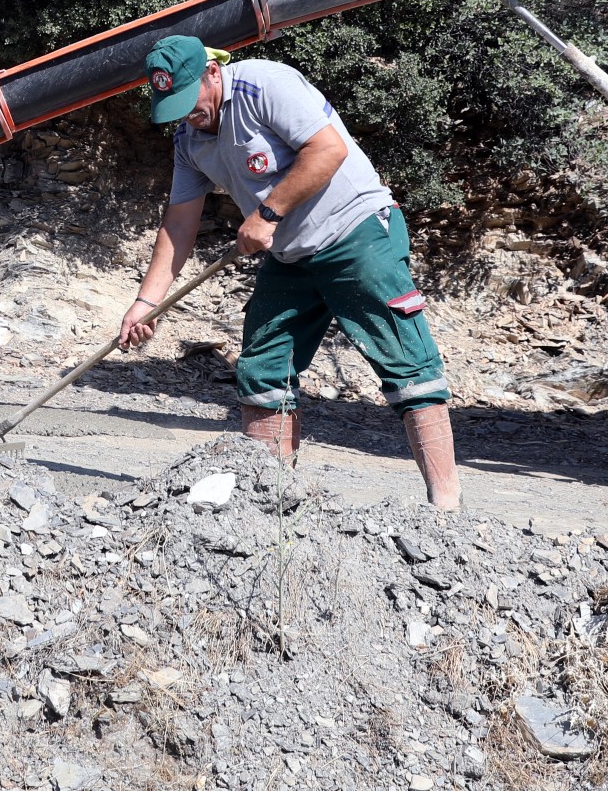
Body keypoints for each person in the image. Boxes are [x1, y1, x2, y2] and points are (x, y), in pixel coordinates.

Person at [116, 34, 461, 509]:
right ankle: (268, 502)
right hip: (292, 256)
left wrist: (267, 213)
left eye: (187, 100)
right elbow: (178, 225)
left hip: (356, 234)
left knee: (406, 366)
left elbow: (327, 150)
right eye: (170, 105)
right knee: (263, 367)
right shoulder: (188, 141)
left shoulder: (265, 85)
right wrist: (146, 303)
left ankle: (445, 510)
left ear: (212, 73)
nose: (184, 115)